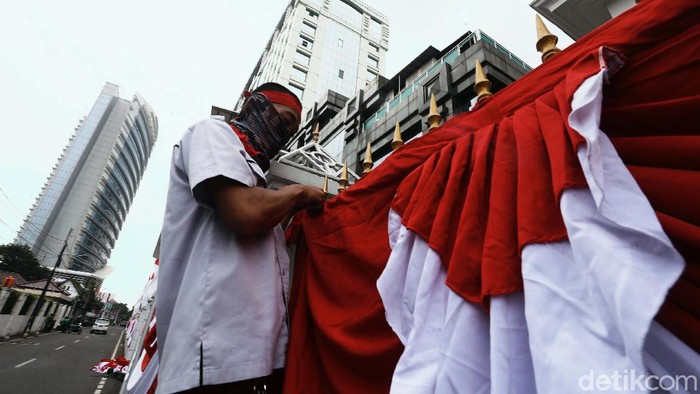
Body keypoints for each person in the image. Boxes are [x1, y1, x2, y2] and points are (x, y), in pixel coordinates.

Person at [156, 83, 325, 393]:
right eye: (283, 119)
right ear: (255, 106)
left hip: (241, 357)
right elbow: (244, 213)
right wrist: (298, 193)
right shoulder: (214, 133)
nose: (285, 134)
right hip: (207, 352)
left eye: (292, 129)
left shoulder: (255, 176)